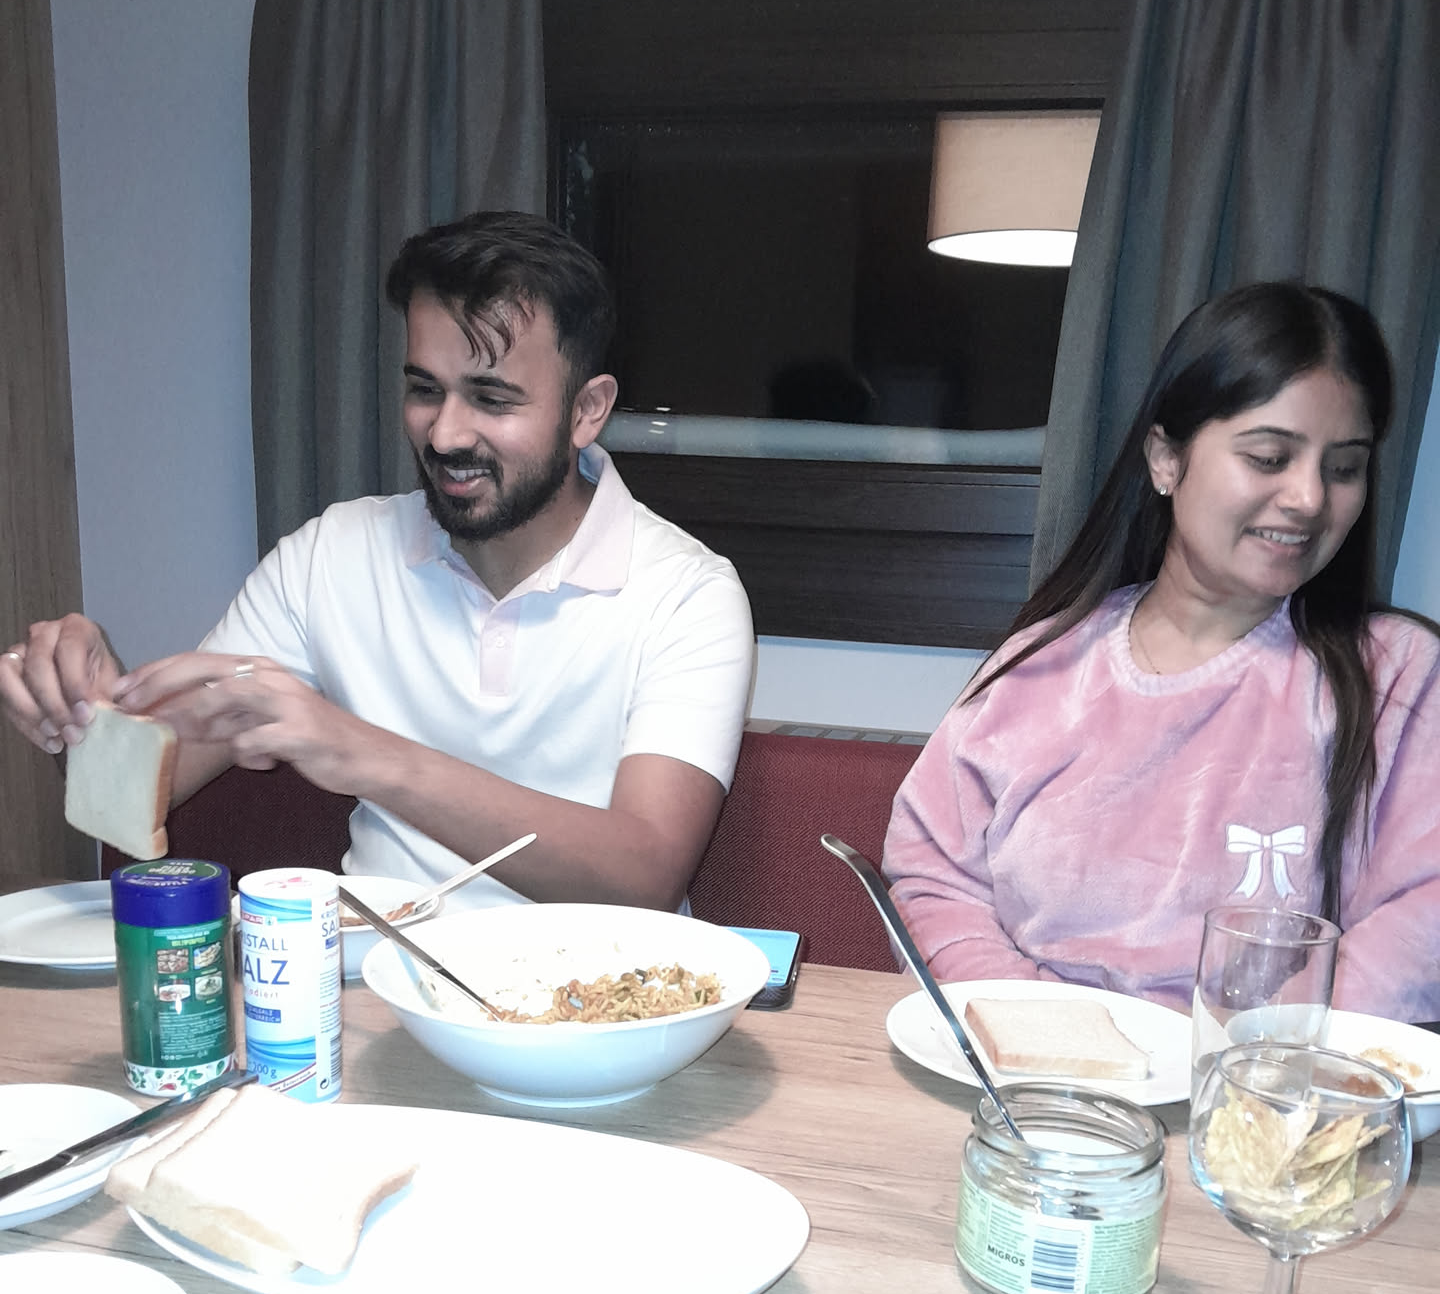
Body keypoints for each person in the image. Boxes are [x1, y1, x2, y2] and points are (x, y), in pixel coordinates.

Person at [1, 211, 754, 910]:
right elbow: (140, 793)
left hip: (601, 995)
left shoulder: (688, 593)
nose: (446, 434)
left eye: (492, 399)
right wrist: (82, 712)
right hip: (367, 983)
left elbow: (645, 876)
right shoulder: (329, 556)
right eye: (426, 390)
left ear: (587, 410)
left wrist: (357, 749)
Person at [883, 281, 1440, 1023]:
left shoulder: (1399, 677)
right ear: (1166, 459)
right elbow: (932, 878)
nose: (1309, 498)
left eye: (1343, 468)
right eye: (1269, 457)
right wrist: (1047, 1033)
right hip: (1026, 1068)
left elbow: (1425, 913)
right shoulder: (1040, 664)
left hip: (1269, 1081)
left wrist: (1246, 1047)